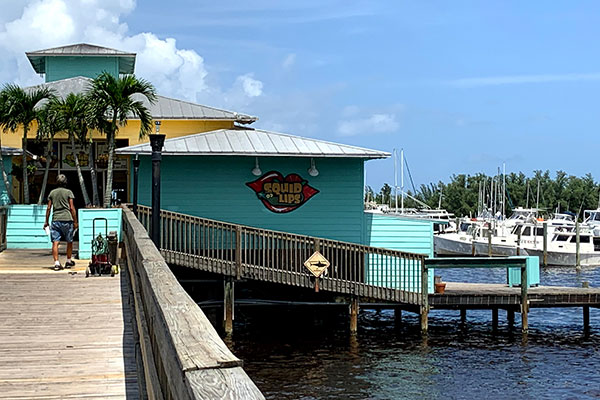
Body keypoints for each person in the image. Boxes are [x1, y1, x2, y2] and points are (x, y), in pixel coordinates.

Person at [44, 174, 78, 270]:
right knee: (69, 241)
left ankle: (57, 263)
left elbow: (48, 208)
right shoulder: (68, 192)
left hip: (55, 219)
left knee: (55, 242)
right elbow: (71, 208)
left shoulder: (52, 193)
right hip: (67, 219)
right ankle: (68, 261)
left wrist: (46, 221)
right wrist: (75, 221)